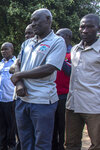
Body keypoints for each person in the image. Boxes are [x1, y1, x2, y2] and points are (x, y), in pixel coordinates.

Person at [10, 8, 66, 150]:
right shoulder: (27, 43)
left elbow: (49, 68)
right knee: (25, 141)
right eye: (31, 21)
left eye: (36, 20)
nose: (33, 24)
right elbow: (17, 64)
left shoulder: (57, 41)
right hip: (22, 100)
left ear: (48, 19)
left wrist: (19, 76)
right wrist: (20, 84)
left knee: (41, 143)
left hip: (42, 101)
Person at [65, 14, 100, 150]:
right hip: (72, 105)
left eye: (90, 27)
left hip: (94, 106)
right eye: (82, 26)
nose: (85, 30)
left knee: (97, 145)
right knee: (70, 144)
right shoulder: (75, 49)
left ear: (98, 28)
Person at [52, 28, 72, 150]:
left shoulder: (72, 53)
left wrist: (59, 56)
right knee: (52, 125)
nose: (57, 38)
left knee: (63, 126)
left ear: (68, 37)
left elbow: (70, 71)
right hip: (52, 95)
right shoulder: (54, 51)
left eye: (59, 36)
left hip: (64, 95)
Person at [0, 42, 16, 150]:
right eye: (2, 50)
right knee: (1, 124)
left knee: (11, 124)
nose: (4, 52)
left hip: (11, 98)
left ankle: (11, 145)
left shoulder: (16, 63)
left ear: (12, 49)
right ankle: (2, 145)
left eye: (6, 49)